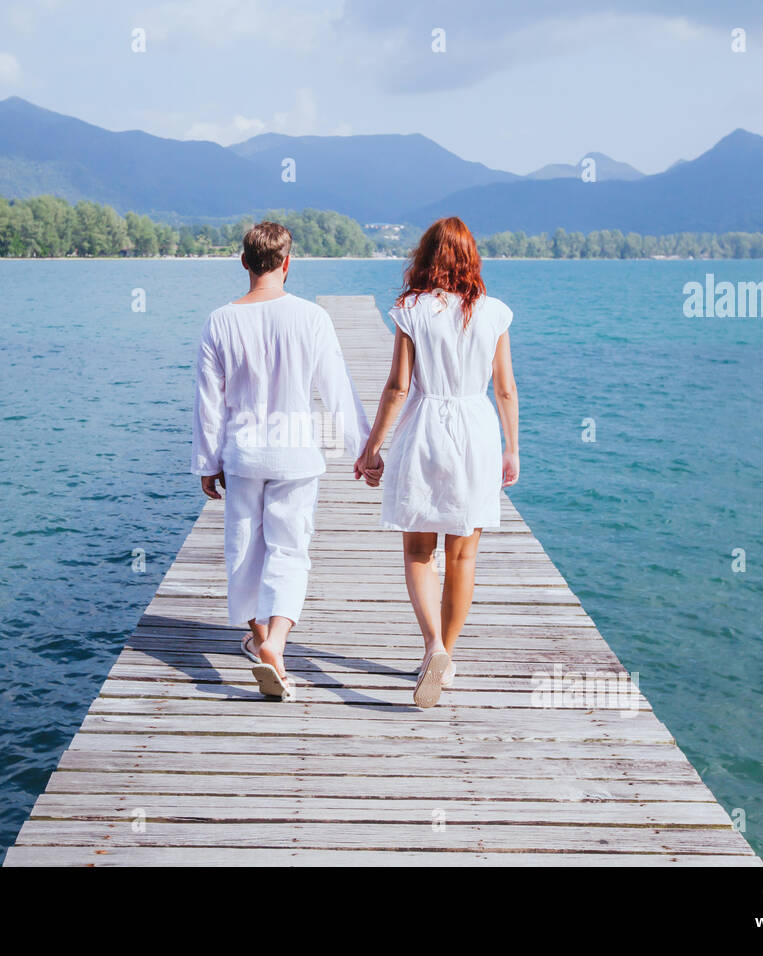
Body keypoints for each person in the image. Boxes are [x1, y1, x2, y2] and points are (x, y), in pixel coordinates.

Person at [192, 221, 371, 701]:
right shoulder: (312, 318)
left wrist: (207, 462)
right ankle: (275, 641)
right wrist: (365, 449)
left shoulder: (219, 320)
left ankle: (255, 637)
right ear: (288, 264)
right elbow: (338, 391)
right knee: (290, 551)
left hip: (244, 454)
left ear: (244, 262)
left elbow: (210, 402)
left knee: (246, 549)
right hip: (297, 455)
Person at [354, 216, 520, 708]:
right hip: (477, 429)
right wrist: (513, 448)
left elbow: (399, 387)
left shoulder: (410, 310)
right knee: (462, 555)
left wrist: (371, 449)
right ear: (472, 258)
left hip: (425, 427)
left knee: (417, 551)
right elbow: (505, 388)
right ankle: (447, 655)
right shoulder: (493, 313)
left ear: (424, 257)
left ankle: (432, 647)